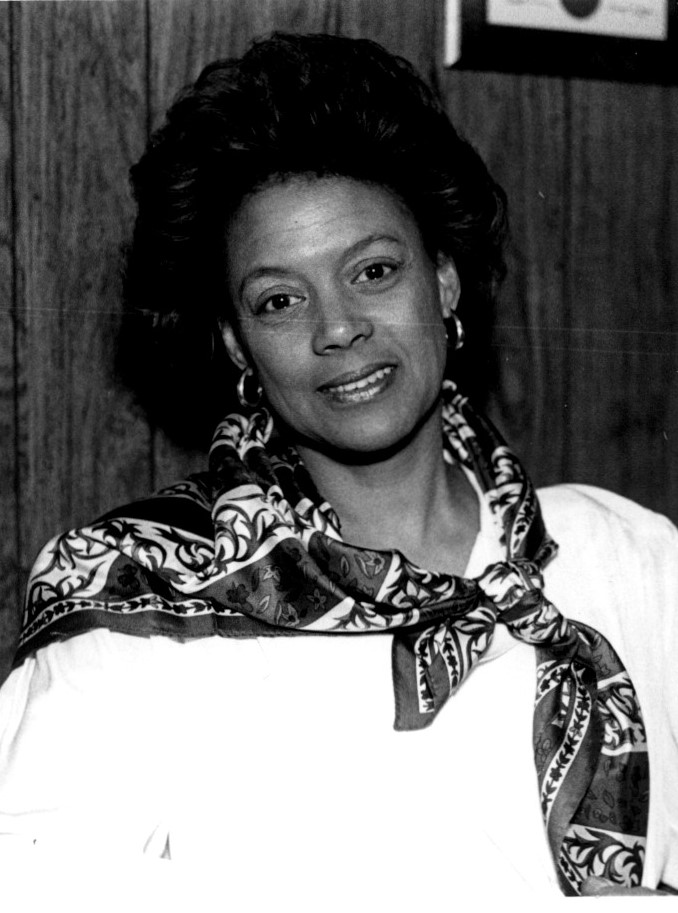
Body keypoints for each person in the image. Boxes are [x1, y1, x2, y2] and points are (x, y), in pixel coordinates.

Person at [0, 32, 676, 904]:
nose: (338, 326)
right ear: (238, 341)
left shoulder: (628, 555)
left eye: (374, 270)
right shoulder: (144, 611)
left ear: (444, 281)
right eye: (280, 299)